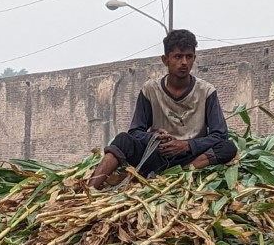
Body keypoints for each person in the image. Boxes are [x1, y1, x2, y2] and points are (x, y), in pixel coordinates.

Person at [88, 29, 238, 190]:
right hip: (157, 155)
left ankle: (181, 172)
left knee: (228, 148)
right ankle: (89, 190)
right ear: (165, 60)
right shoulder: (150, 90)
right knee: (123, 140)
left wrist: (186, 145)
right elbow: (136, 131)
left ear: (194, 58)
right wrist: (153, 137)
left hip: (191, 157)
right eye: (178, 56)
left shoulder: (206, 91)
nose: (184, 62)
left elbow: (220, 134)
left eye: (189, 56)